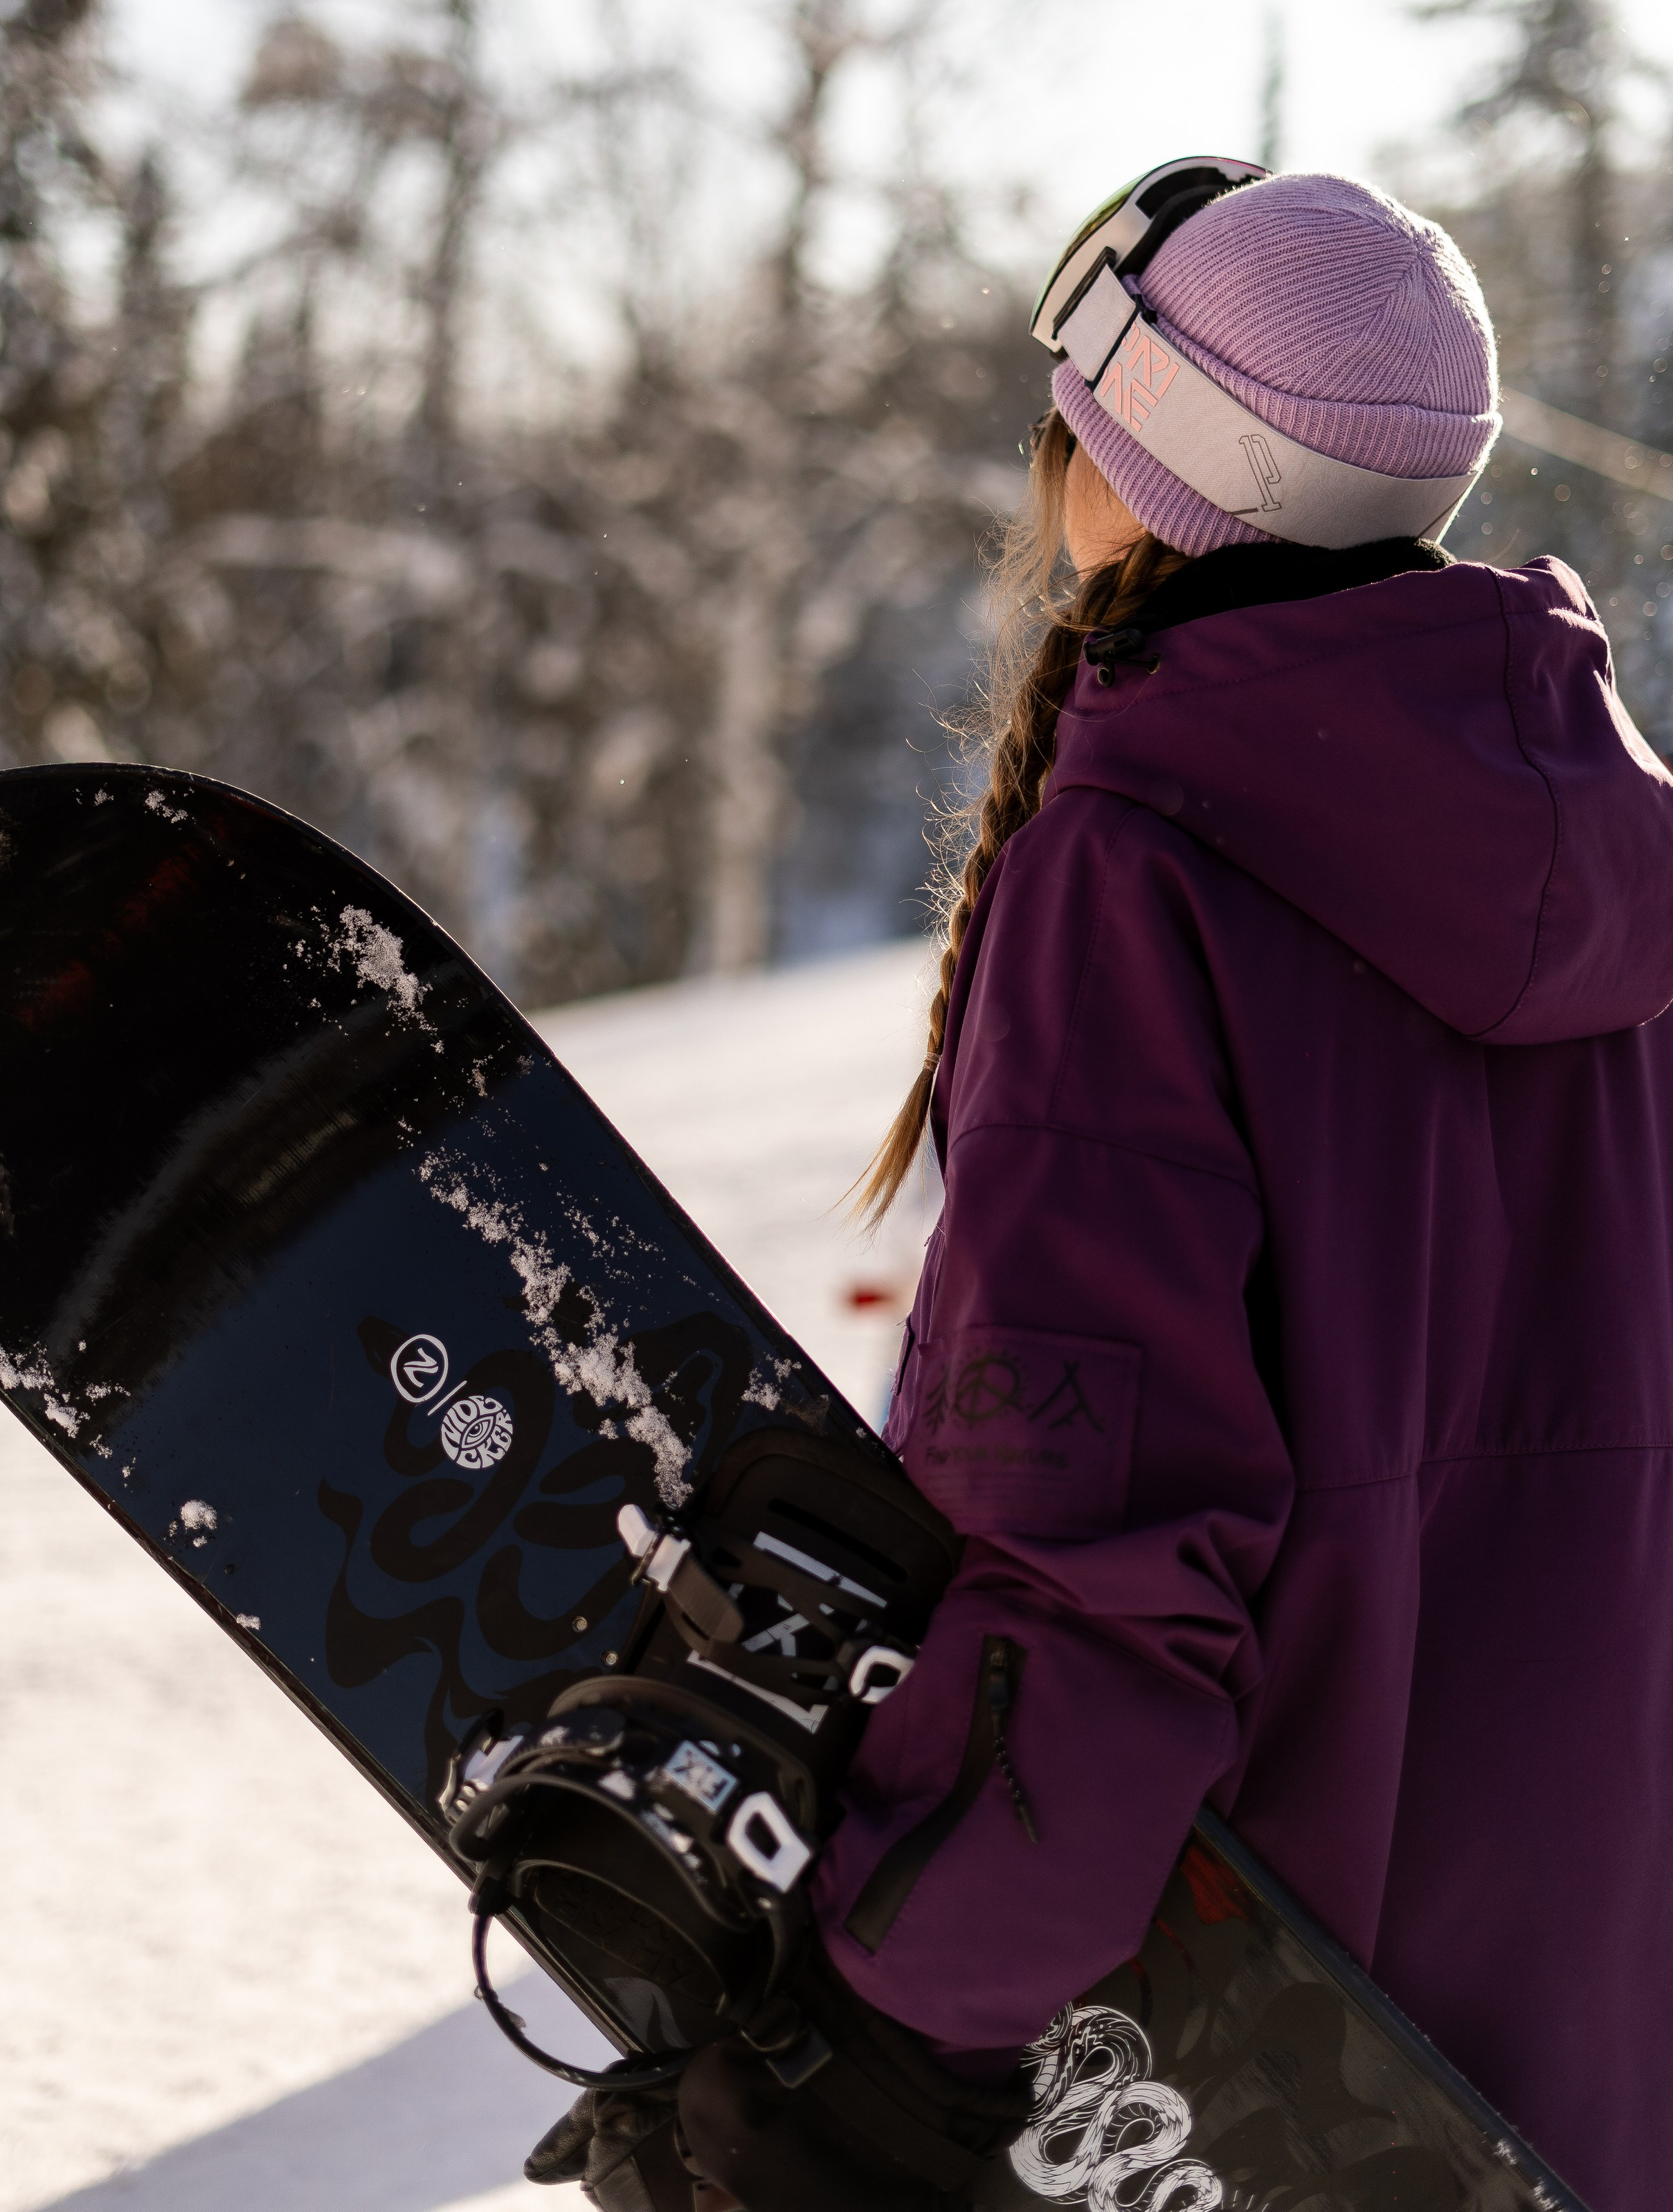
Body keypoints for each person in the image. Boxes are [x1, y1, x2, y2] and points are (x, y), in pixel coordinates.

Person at [534, 166, 1673, 2211]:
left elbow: (1099, 1541)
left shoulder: (1137, 875)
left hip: (1253, 2064)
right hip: (1595, 2054)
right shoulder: (1636, 880)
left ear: (1148, 470)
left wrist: (901, 2013)